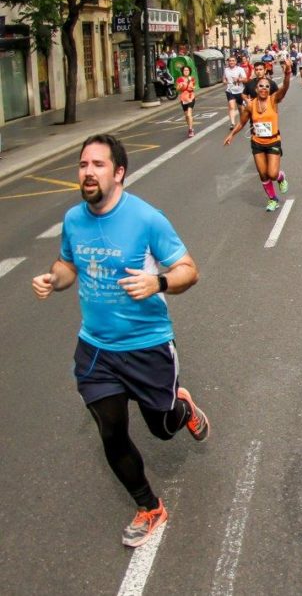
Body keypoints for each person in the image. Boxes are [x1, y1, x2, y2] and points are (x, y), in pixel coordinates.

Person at [30, 134, 209, 548]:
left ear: (119, 172)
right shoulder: (74, 219)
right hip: (96, 350)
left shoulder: (147, 219)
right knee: (111, 432)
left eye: (98, 164)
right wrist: (52, 279)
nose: (88, 172)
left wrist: (158, 281)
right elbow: (67, 264)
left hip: (148, 346)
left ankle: (181, 407)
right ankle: (149, 506)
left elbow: (189, 270)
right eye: (82, 164)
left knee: (162, 429)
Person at [223, 59, 292, 212]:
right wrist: (231, 134)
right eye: (261, 86)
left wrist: (287, 72)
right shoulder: (250, 105)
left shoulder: (274, 100)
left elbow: (285, 88)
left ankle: (281, 177)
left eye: (267, 86)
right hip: (257, 143)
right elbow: (241, 123)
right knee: (263, 174)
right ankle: (273, 199)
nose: (264, 89)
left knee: (272, 174)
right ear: (256, 88)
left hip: (273, 141)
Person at [223, 56, 247, 129]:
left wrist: (239, 79)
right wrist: (224, 81)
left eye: (233, 61)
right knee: (232, 107)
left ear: (236, 62)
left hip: (240, 91)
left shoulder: (240, 69)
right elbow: (224, 78)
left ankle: (242, 121)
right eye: (230, 61)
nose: (231, 62)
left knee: (240, 108)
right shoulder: (226, 70)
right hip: (230, 91)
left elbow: (245, 79)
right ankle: (232, 123)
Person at [175, 65, 197, 138]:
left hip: (191, 97)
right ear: (182, 71)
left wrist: (191, 86)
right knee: (186, 116)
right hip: (184, 98)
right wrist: (180, 86)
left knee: (189, 114)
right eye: (185, 70)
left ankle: (191, 130)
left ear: (189, 71)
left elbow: (193, 87)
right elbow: (177, 89)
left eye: (187, 70)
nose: (186, 71)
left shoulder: (192, 78)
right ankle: (190, 127)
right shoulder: (180, 79)